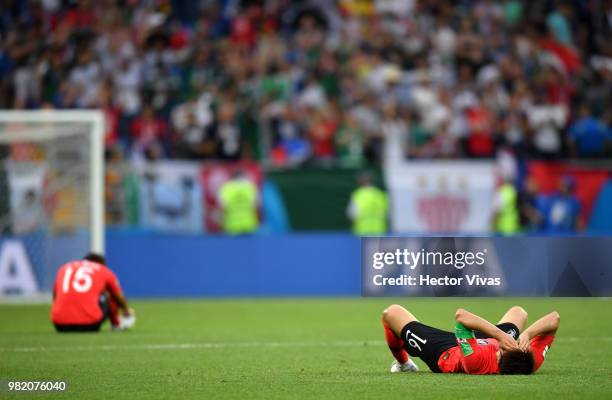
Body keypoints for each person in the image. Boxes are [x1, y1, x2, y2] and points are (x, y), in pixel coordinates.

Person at [381, 303, 559, 375]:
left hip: (446, 351)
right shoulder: (530, 362)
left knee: (391, 313)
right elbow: (554, 318)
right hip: (483, 339)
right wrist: (527, 335)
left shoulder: (476, 362)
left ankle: (404, 364)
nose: (506, 345)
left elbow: (461, 316)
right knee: (519, 312)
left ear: (499, 357)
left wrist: (499, 336)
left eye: (503, 348)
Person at [51, 253, 135, 332]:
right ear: (101, 264)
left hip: (59, 325)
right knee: (108, 293)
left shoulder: (64, 267)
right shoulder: (103, 270)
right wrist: (126, 311)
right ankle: (116, 325)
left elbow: (55, 296)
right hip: (90, 324)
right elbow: (118, 297)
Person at [219, 170, 259, 235]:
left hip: (231, 226)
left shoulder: (227, 187)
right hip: (249, 225)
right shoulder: (250, 186)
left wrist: (221, 224)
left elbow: (222, 207)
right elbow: (256, 206)